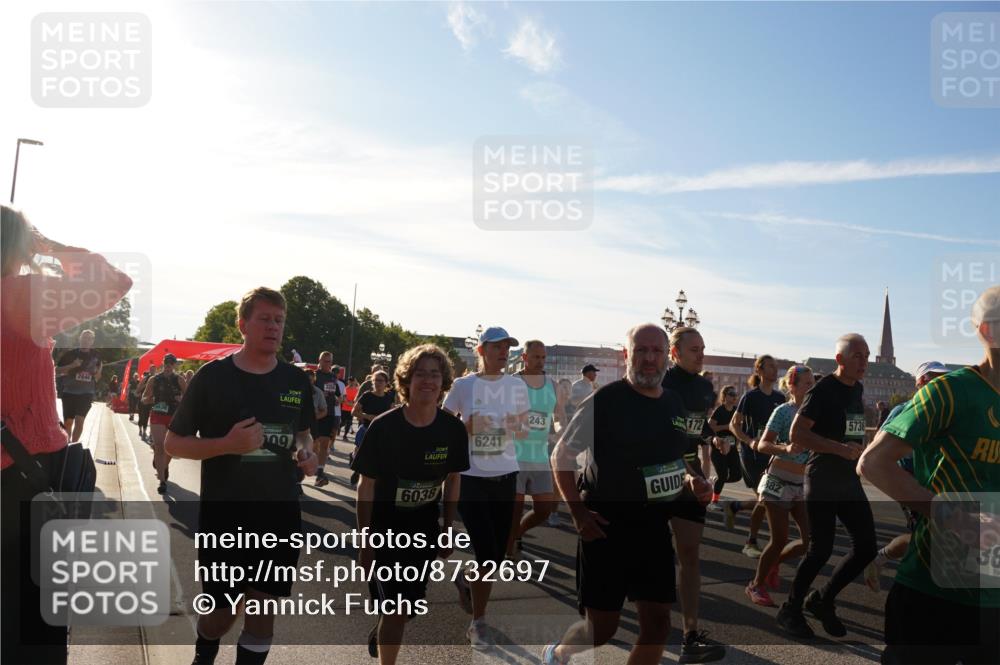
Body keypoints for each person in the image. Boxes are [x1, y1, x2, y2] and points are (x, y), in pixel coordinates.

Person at [1, 204, 132, 665]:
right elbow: (115, 283)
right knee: (40, 620)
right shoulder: (23, 296)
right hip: (29, 476)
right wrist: (52, 248)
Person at [165, 287, 318, 665]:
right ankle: (205, 648)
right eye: (264, 319)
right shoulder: (213, 377)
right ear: (243, 325)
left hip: (279, 515)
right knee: (222, 616)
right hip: (226, 516)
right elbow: (173, 443)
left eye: (279, 320)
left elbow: (302, 432)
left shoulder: (296, 382)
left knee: (263, 611)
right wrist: (227, 445)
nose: (273, 327)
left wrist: (307, 450)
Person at [542, 323, 712, 665]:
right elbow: (561, 455)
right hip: (606, 527)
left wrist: (693, 479)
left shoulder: (674, 402)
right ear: (626, 355)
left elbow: (675, 456)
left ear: (667, 356)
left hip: (653, 529)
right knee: (601, 629)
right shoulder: (605, 400)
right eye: (641, 350)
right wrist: (577, 514)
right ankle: (557, 655)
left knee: (658, 625)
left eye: (656, 351)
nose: (649, 359)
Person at [860, 287, 1000, 665]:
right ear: (988, 331)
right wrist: (951, 516)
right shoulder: (950, 392)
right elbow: (873, 463)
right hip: (936, 590)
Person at [351, 344, 469, 663]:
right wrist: (364, 540)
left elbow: (453, 478)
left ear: (444, 382)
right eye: (420, 374)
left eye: (435, 374)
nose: (428, 380)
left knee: (406, 609)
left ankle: (384, 630)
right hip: (384, 529)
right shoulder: (384, 427)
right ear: (406, 380)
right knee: (396, 608)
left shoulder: (453, 430)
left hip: (423, 529)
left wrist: (447, 527)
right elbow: (366, 485)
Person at [776, 333, 877, 639]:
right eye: (857, 356)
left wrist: (861, 451)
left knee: (867, 547)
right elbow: (797, 435)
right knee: (821, 550)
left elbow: (852, 430)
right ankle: (790, 609)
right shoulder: (822, 391)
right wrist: (837, 447)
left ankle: (822, 599)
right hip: (821, 478)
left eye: (867, 356)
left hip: (848, 478)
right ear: (839, 360)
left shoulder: (857, 388)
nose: (864, 362)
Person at [442, 326, 528, 650]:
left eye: (507, 347)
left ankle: (467, 580)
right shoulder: (464, 385)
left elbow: (522, 429)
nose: (504, 353)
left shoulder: (516, 385)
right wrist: (467, 427)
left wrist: (509, 427)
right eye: (497, 347)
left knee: (494, 557)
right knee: (487, 553)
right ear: (481, 351)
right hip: (472, 479)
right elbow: (442, 425)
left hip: (505, 477)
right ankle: (478, 623)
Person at [658, 327, 727, 663]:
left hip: (690, 476)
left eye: (703, 348)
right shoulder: (662, 384)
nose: (701, 354)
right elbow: (660, 439)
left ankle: (690, 635)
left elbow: (696, 428)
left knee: (690, 552)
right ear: (675, 353)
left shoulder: (703, 387)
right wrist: (684, 473)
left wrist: (714, 440)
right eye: (694, 350)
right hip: (656, 475)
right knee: (651, 554)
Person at [863, 360, 950, 591]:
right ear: (921, 382)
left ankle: (882, 559)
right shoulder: (903, 410)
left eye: (944, 379)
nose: (941, 383)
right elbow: (874, 451)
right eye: (935, 378)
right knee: (930, 533)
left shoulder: (946, 412)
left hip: (936, 481)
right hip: (909, 480)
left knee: (931, 534)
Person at [745, 365, 813, 607]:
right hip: (778, 481)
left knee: (810, 542)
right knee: (779, 539)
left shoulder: (817, 414)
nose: (811, 386)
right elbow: (762, 445)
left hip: (802, 483)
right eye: (806, 383)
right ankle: (755, 585)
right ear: (792, 386)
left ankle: (773, 563)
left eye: (812, 382)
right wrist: (784, 448)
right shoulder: (783, 412)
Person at [727, 355, 786, 558]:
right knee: (766, 497)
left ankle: (737, 506)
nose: (775, 370)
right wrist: (750, 441)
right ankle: (750, 542)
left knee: (768, 497)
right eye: (770, 366)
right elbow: (733, 425)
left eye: (776, 367)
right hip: (751, 454)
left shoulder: (780, 398)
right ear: (759, 371)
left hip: (771, 456)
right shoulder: (750, 397)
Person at [506, 340, 561, 558]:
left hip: (539, 455)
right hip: (514, 454)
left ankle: (516, 534)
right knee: (515, 509)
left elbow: (558, 416)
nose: (540, 361)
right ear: (524, 358)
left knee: (544, 510)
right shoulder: (512, 383)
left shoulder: (552, 384)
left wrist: (558, 431)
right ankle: (508, 549)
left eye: (543, 357)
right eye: (536, 357)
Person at [143, 353, 187, 494]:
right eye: (166, 363)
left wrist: (181, 399)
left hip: (174, 415)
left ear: (174, 365)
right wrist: (148, 399)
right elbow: (144, 397)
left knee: (170, 448)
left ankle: (163, 465)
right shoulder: (154, 379)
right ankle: (162, 481)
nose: (168, 366)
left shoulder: (179, 379)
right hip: (157, 413)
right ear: (163, 364)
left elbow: (188, 398)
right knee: (159, 446)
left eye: (171, 364)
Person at [55, 329, 103, 442]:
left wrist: (98, 372)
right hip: (69, 392)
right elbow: (56, 370)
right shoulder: (70, 354)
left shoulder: (96, 355)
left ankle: (74, 445)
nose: (86, 340)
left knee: (80, 420)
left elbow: (97, 376)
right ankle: (67, 444)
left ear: (92, 341)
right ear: (79, 339)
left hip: (86, 393)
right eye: (84, 338)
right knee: (68, 422)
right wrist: (72, 365)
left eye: (89, 338)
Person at [350, 371, 395, 486]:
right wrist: (367, 416)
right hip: (365, 428)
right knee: (360, 453)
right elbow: (354, 412)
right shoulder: (367, 395)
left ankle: (366, 476)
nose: (377, 383)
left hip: (381, 432)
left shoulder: (389, 398)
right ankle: (356, 466)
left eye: (381, 381)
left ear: (386, 383)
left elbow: (392, 415)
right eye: (375, 380)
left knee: (375, 457)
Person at [707, 385, 741, 508]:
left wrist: (738, 442)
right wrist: (726, 427)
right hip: (719, 447)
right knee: (722, 475)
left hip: (732, 448)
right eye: (731, 394)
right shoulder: (719, 410)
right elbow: (710, 427)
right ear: (724, 396)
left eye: (735, 394)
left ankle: (716, 481)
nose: (734, 397)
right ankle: (714, 501)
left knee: (737, 475)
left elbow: (738, 428)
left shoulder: (736, 411)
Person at [312, 351, 341, 488]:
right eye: (325, 361)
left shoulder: (333, 377)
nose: (327, 364)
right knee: (313, 445)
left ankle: (320, 473)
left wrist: (337, 399)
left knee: (324, 444)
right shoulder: (314, 375)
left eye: (329, 361)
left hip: (329, 414)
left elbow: (338, 395)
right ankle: (302, 472)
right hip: (315, 414)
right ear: (319, 360)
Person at [136, 367, 155, 440]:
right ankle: (140, 428)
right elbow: (138, 389)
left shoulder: (156, 379)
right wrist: (146, 384)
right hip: (143, 400)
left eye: (154, 370)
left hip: (152, 400)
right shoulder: (145, 378)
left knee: (147, 416)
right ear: (149, 370)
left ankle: (145, 431)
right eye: (152, 370)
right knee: (142, 415)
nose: (153, 371)